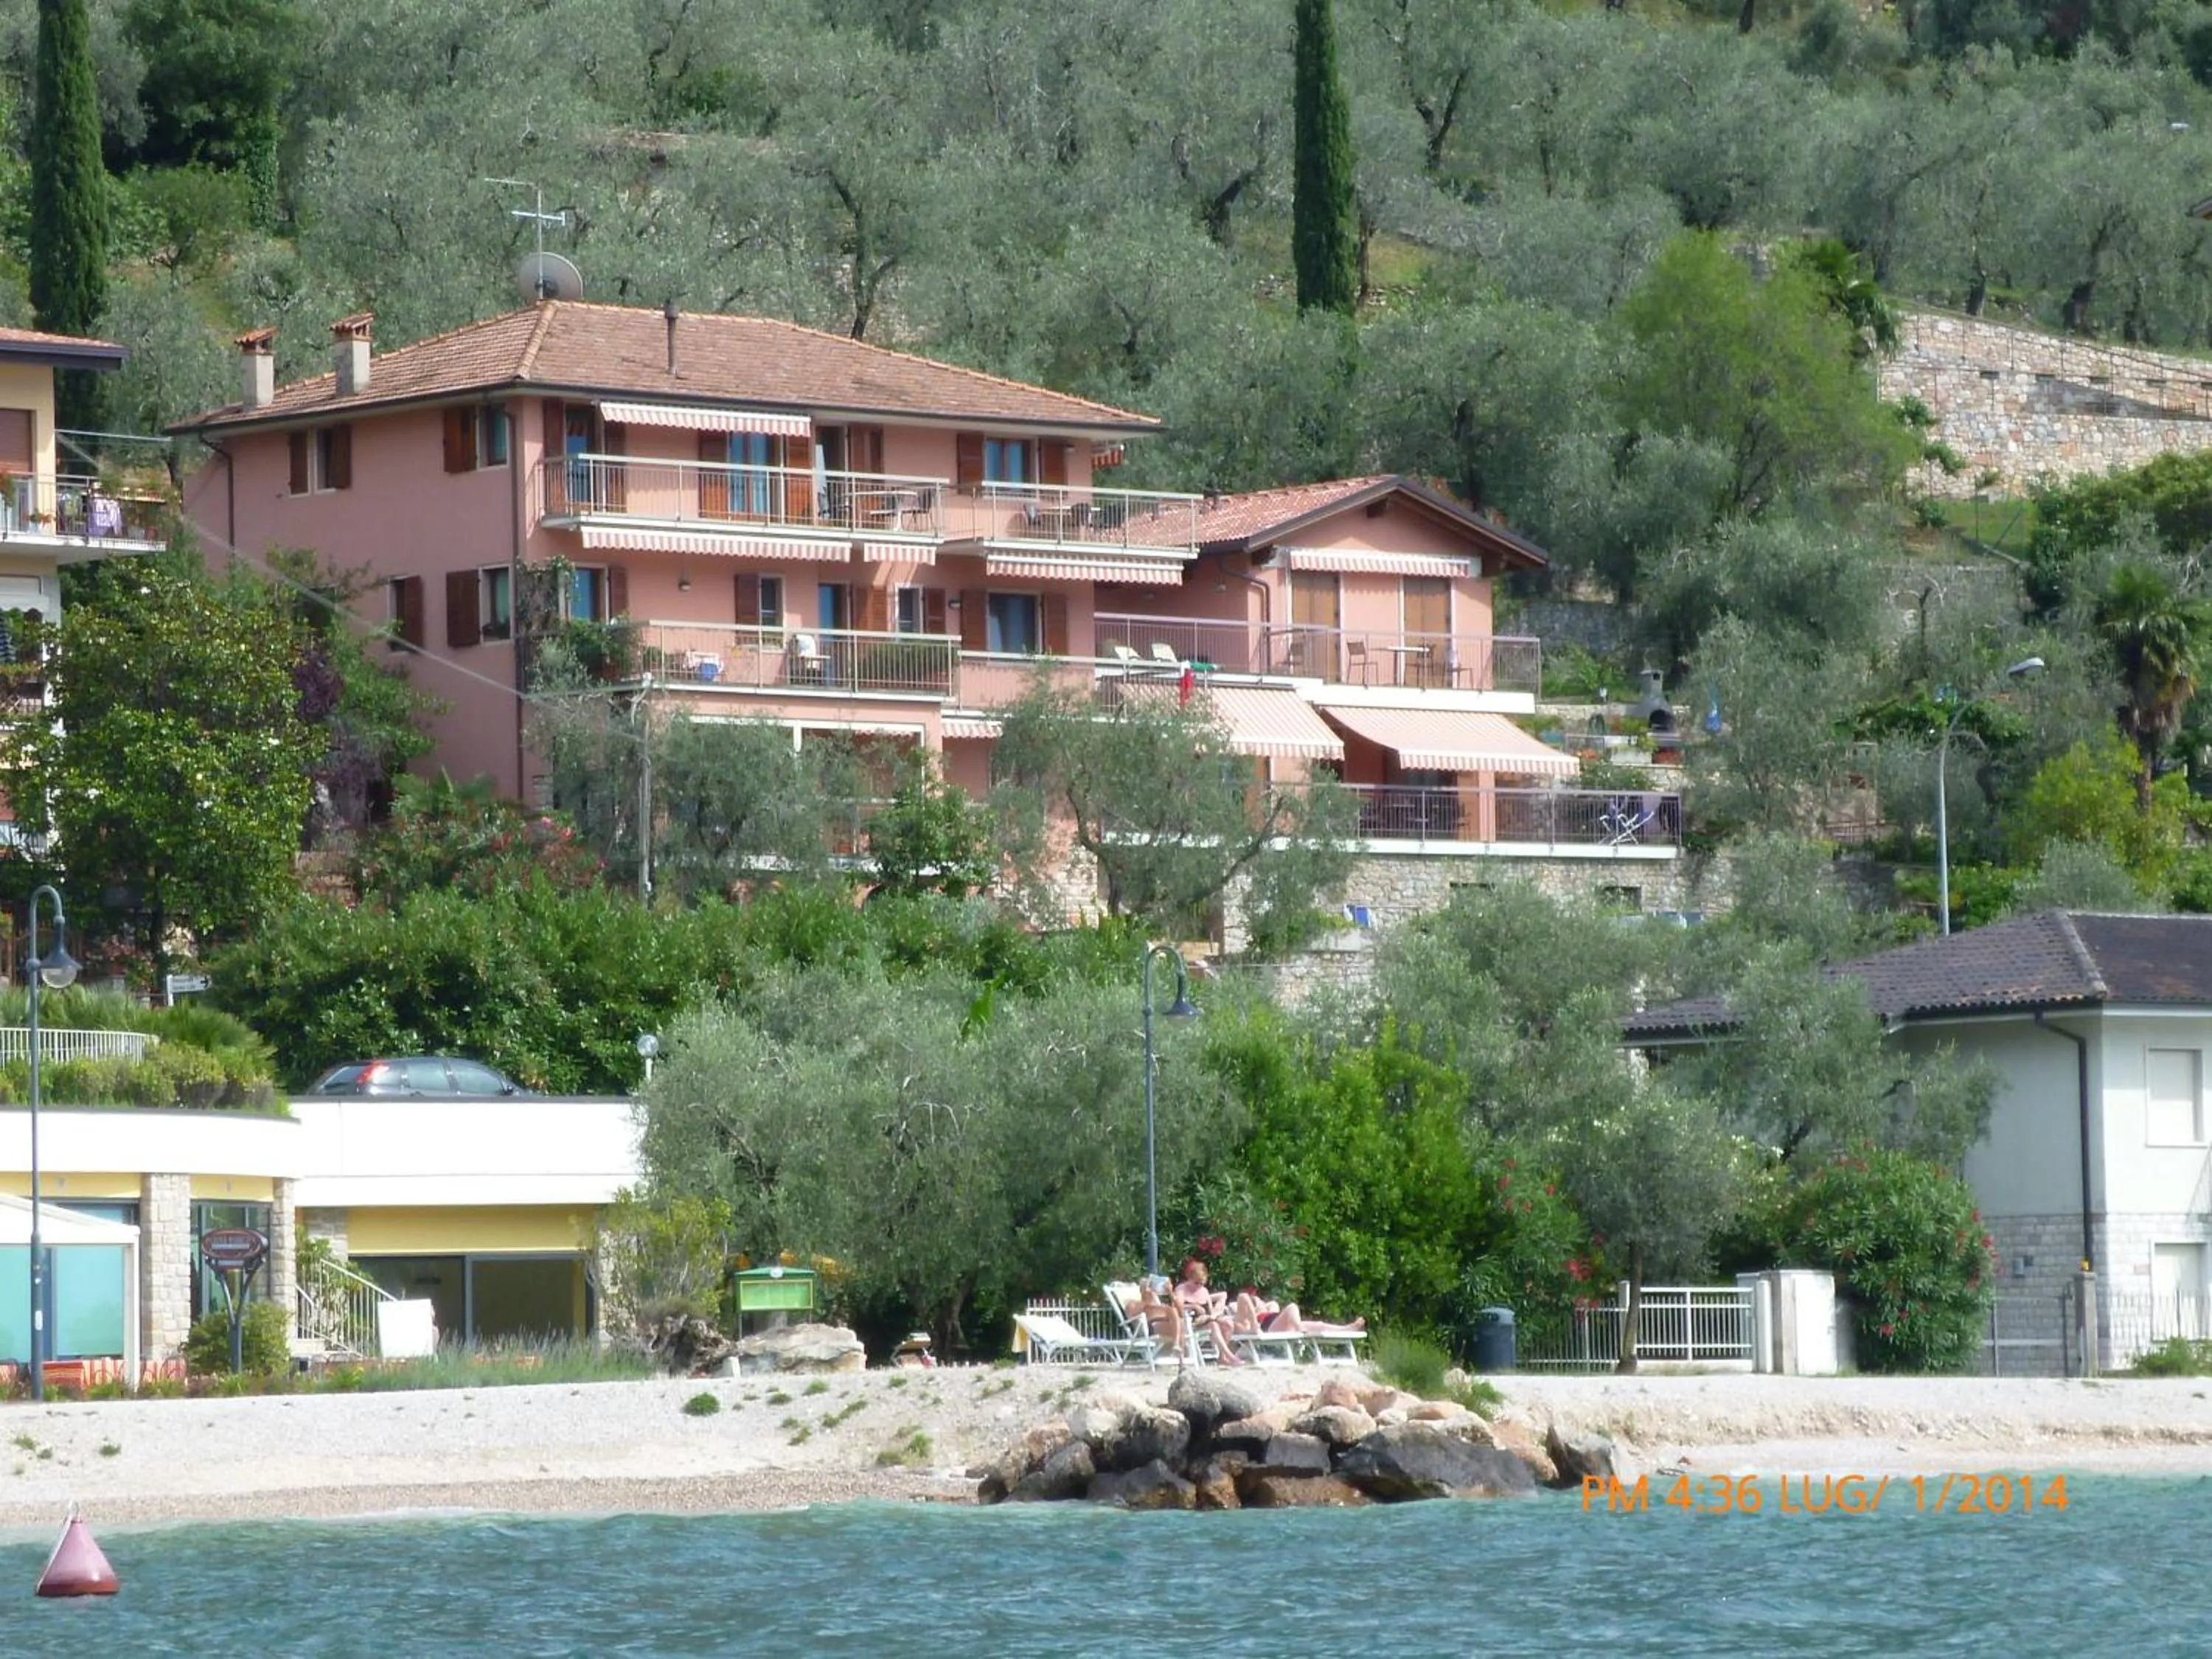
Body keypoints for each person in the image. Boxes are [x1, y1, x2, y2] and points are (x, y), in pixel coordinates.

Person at [1172, 1259, 1249, 1366]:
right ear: (1189, 1278)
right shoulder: (1181, 1289)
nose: (1199, 1286)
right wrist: (1193, 1306)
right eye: (1196, 1283)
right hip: (1189, 1323)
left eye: (1202, 1283)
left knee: (1228, 1324)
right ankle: (1230, 1356)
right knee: (1213, 1325)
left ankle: (1222, 1357)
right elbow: (1176, 1307)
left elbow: (1210, 1311)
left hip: (1205, 1321)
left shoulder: (1204, 1291)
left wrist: (1214, 1315)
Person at [1232, 1288, 1365, 1339]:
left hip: (1280, 1324)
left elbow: (1272, 1305)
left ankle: (1347, 1328)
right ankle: (1300, 1328)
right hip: (1268, 1330)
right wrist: (1254, 1316)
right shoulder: (1242, 1320)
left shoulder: (1267, 1310)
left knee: (1318, 1324)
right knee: (1292, 1307)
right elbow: (1243, 1297)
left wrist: (1260, 1307)